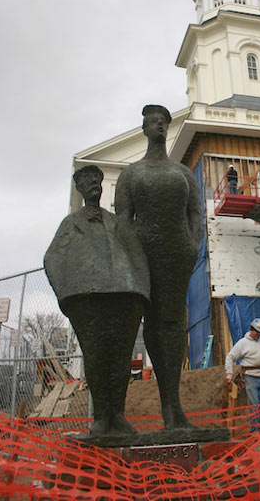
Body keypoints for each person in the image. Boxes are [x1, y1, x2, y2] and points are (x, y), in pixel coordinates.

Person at [44, 165, 150, 446]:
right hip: (87, 299)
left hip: (124, 296)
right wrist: (66, 295)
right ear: (79, 188)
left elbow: (137, 254)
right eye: (86, 180)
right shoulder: (70, 223)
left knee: (120, 360)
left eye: (96, 179)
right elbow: (52, 259)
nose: (92, 183)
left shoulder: (117, 222)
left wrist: (142, 291)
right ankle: (102, 417)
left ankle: (118, 414)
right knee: (96, 358)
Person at [115, 105, 203, 432]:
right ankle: (117, 413)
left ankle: (173, 406)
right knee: (145, 321)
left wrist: (193, 244)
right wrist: (130, 255)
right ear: (144, 129)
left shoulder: (181, 173)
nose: (160, 126)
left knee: (171, 321)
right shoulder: (131, 174)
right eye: (154, 122)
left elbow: (196, 213)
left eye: (164, 122)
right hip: (143, 253)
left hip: (177, 252)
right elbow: (123, 220)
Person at [225, 318, 260, 430]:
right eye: (257, 332)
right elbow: (230, 357)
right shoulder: (242, 343)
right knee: (254, 405)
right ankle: (255, 430)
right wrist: (229, 373)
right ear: (252, 330)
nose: (258, 335)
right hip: (250, 377)